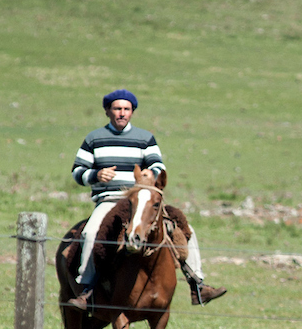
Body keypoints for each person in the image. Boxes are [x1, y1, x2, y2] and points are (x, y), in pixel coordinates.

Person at [66, 88, 225, 309]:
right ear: (107, 111)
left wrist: (152, 174)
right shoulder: (94, 138)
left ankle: (197, 284)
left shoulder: (144, 138)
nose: (121, 113)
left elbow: (158, 165)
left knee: (184, 228)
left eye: (126, 109)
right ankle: (87, 289)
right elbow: (77, 171)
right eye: (117, 108)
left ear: (132, 112)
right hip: (111, 200)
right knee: (91, 232)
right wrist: (96, 175)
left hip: (143, 200)